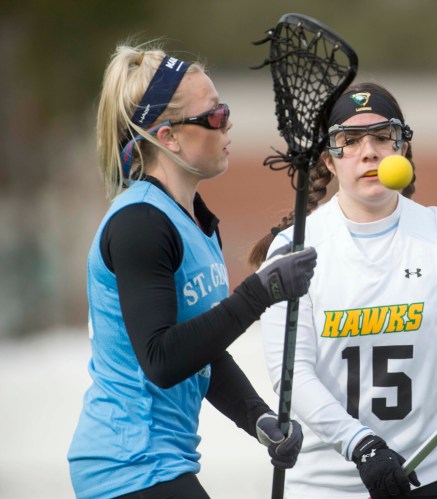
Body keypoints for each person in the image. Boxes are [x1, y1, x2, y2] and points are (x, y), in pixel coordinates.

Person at [249, 82, 437, 499]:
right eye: (349, 140)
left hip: (435, 468)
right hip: (329, 483)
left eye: (382, 137)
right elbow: (291, 377)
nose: (369, 151)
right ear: (330, 161)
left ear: (401, 149)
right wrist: (360, 445)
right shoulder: (292, 248)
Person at [67, 42, 318, 499]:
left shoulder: (196, 223)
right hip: (127, 466)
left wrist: (256, 416)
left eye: (226, 110)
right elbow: (162, 359)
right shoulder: (140, 224)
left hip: (159, 463)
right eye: (214, 115)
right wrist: (260, 293)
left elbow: (199, 349)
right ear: (168, 137)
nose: (228, 123)